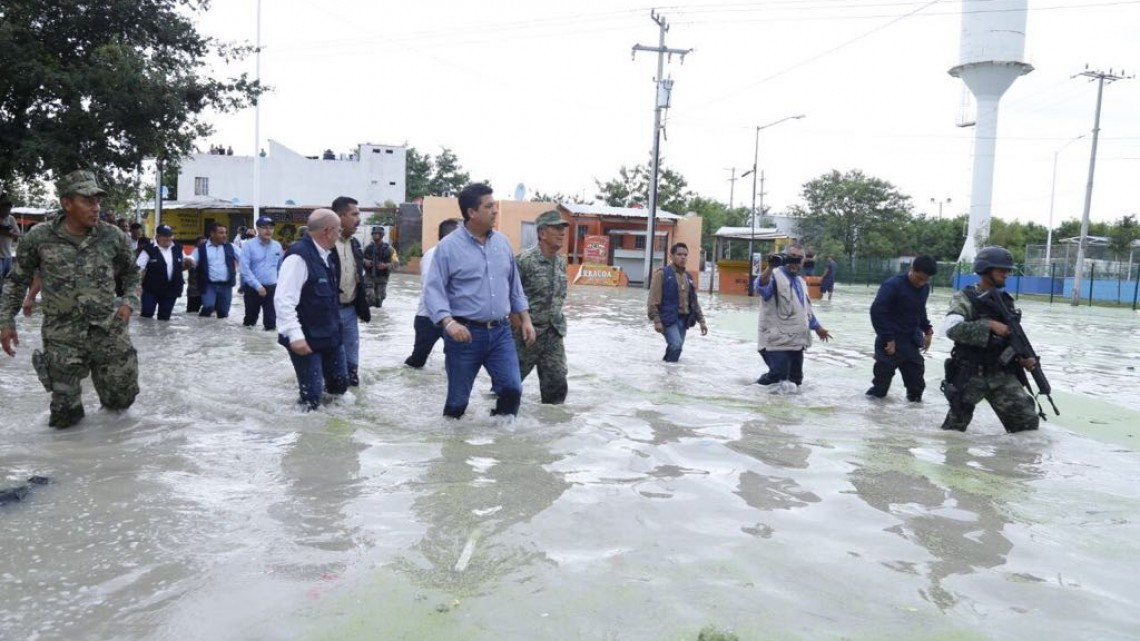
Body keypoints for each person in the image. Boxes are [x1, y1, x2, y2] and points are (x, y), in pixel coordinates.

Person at [0, 170, 139, 428]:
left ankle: (113, 451)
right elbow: (17, 280)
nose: (96, 207)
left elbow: (132, 273)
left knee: (120, 404)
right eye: (87, 201)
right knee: (65, 416)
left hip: (108, 331)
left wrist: (129, 302)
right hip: (62, 335)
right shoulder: (39, 237)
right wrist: (6, 321)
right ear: (67, 203)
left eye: (98, 201)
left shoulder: (112, 236)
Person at [423, 182, 535, 418]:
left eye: (494, 205)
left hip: (501, 332)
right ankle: (451, 439)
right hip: (464, 335)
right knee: (457, 402)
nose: (495, 210)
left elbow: (514, 285)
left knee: (512, 389)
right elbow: (433, 291)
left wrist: (525, 319)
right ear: (472, 212)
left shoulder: (502, 243)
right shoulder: (448, 247)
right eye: (489, 206)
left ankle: (499, 435)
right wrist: (449, 323)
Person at [939, 246, 1040, 433]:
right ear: (985, 270)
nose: (1006, 274)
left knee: (1027, 424)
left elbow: (1012, 337)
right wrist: (989, 325)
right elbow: (950, 330)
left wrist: (1023, 357)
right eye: (1001, 270)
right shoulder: (965, 298)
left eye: (1008, 270)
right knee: (954, 430)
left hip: (1001, 374)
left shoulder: (1007, 301)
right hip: (971, 374)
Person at [274, 209, 349, 410]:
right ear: (328, 231)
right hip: (306, 339)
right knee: (312, 397)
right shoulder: (298, 257)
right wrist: (294, 336)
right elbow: (283, 300)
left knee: (340, 387)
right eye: (338, 230)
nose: (340, 235)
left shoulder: (327, 256)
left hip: (330, 335)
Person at [754, 244, 832, 388]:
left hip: (796, 342)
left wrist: (818, 328)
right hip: (775, 342)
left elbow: (806, 311)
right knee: (779, 377)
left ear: (803, 261)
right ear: (785, 257)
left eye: (799, 258)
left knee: (795, 381)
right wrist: (770, 267)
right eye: (792, 257)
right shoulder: (774, 276)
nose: (795, 262)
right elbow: (761, 287)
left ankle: (774, 400)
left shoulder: (801, 282)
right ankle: (752, 391)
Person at [513, 210, 570, 403]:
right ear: (542, 233)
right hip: (527, 335)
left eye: (563, 228)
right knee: (507, 386)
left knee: (557, 387)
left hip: (554, 334)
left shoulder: (561, 262)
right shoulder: (524, 261)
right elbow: (510, 297)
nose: (562, 233)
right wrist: (518, 326)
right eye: (557, 228)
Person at [867, 255, 937, 402]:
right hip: (889, 343)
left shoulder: (924, 288)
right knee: (879, 390)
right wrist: (888, 338)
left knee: (916, 390)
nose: (922, 283)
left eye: (926, 280)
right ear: (912, 269)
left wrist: (928, 330)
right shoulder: (892, 286)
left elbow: (920, 311)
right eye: (919, 278)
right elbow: (877, 312)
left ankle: (911, 415)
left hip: (911, 342)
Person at [404, 217, 460, 368]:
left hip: (453, 316)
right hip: (429, 317)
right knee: (418, 360)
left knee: (457, 359)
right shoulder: (433, 255)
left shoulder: (457, 255)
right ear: (450, 236)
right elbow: (430, 288)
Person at [331, 196, 370, 386]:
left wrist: (363, 309)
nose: (358, 219)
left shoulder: (355, 244)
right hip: (328, 312)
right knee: (329, 364)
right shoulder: (326, 245)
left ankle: (352, 395)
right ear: (340, 217)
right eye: (354, 214)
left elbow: (358, 279)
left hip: (350, 312)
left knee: (352, 367)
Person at [647, 242, 707, 362]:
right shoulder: (662, 274)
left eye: (685, 255)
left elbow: (694, 302)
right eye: (679, 254)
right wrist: (656, 320)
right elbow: (653, 300)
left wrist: (702, 321)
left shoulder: (688, 277)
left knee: (677, 348)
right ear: (671, 256)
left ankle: (667, 369)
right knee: (676, 345)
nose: (683, 257)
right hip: (668, 319)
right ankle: (669, 367)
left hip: (684, 320)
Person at [136, 224, 193, 321]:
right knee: (147, 314)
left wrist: (190, 262)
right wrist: (137, 286)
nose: (168, 238)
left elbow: (185, 262)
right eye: (165, 236)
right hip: (151, 289)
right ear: (158, 236)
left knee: (164, 318)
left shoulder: (177, 248)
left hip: (171, 289)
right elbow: (138, 269)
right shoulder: (149, 250)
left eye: (170, 236)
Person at [240, 216, 283, 330]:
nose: (268, 230)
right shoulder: (248, 245)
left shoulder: (277, 246)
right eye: (265, 227)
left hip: (272, 288)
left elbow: (280, 268)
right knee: (250, 322)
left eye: (271, 228)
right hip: (252, 288)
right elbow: (244, 269)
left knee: (271, 323)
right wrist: (258, 286)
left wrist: (279, 285)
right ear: (258, 229)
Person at [193, 223, 241, 318]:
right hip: (208, 284)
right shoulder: (201, 248)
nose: (224, 235)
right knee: (208, 307)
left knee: (223, 313)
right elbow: (191, 260)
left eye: (225, 233)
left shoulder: (231, 247)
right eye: (221, 233)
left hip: (226, 285)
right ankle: (202, 324)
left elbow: (244, 258)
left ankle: (219, 328)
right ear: (212, 234)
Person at [362, 226, 396, 308]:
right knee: (369, 295)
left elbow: (396, 262)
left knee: (379, 300)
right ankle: (367, 312)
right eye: (373, 234)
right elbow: (359, 259)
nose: (375, 235)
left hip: (382, 277)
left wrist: (386, 265)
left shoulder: (390, 249)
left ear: (381, 235)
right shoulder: (367, 248)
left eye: (377, 234)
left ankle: (376, 313)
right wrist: (365, 261)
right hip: (369, 276)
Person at [0, 192, 20, 298]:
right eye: (4, 210)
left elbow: (17, 234)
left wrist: (7, 232)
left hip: (7, 255)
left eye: (8, 210)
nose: (7, 212)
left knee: (7, 279)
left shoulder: (11, 219)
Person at [185, 235, 205, 313]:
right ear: (196, 246)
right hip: (194, 292)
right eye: (201, 244)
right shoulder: (192, 258)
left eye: (205, 244)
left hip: (207, 291)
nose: (203, 246)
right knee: (192, 313)